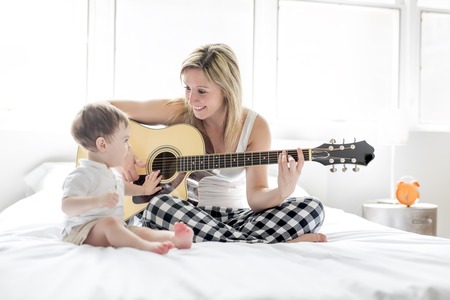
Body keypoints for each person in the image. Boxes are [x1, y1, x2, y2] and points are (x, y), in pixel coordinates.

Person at [111, 43, 327, 243]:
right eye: (187, 88)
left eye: (202, 91)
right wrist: (124, 149)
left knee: (313, 208)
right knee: (158, 205)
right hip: (182, 212)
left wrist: (282, 191)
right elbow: (100, 110)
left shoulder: (254, 126)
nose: (191, 99)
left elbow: (256, 197)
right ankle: (260, 244)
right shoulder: (179, 111)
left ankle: (237, 241)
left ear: (226, 90)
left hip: (235, 217)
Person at [61, 103, 194, 254]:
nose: (129, 147)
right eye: (125, 140)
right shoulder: (81, 175)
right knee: (111, 224)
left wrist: (144, 189)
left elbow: (123, 187)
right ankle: (145, 247)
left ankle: (174, 238)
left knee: (140, 231)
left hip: (114, 227)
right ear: (102, 144)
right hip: (81, 231)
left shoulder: (107, 173)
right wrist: (97, 201)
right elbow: (67, 206)